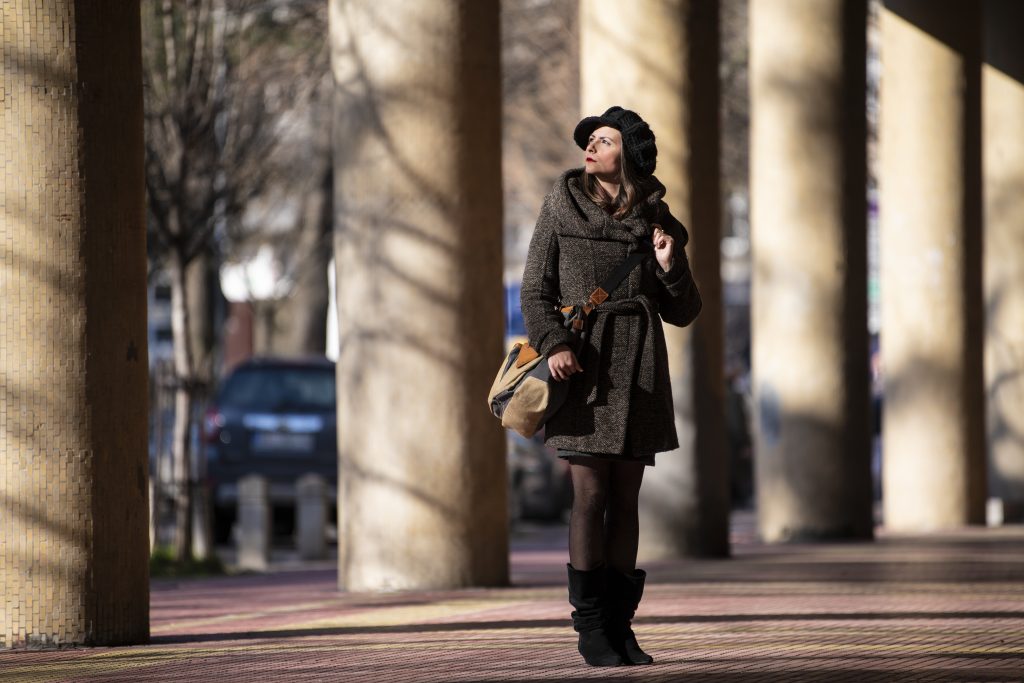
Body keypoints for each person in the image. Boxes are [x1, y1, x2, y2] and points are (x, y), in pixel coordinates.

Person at [520, 106, 702, 667]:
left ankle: (623, 629)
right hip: (581, 369)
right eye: (589, 139)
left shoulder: (655, 217)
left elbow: (685, 310)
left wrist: (670, 264)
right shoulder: (562, 201)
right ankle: (592, 628)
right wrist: (556, 344)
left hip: (639, 368)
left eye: (604, 140)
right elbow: (535, 289)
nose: (591, 147)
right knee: (590, 497)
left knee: (625, 502)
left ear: (630, 153)